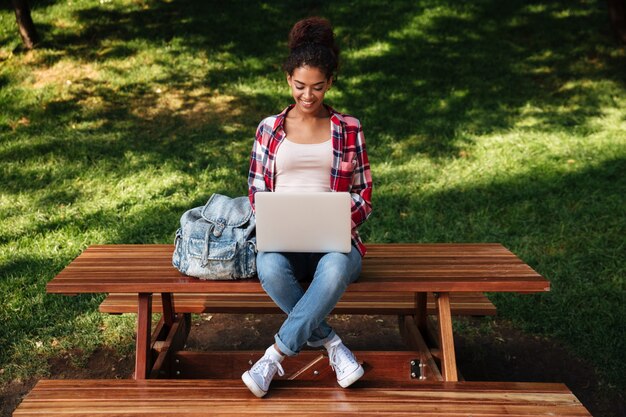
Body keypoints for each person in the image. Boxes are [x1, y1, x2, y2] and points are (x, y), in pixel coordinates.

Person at [242, 16, 373, 398]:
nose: (308, 96)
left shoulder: (349, 129)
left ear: (330, 82)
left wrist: (334, 216)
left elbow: (364, 195)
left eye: (317, 87)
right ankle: (333, 345)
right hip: (283, 240)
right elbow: (255, 189)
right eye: (300, 86)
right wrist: (272, 215)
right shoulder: (269, 129)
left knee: (334, 271)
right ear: (288, 81)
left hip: (335, 242)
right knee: (268, 266)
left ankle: (274, 355)